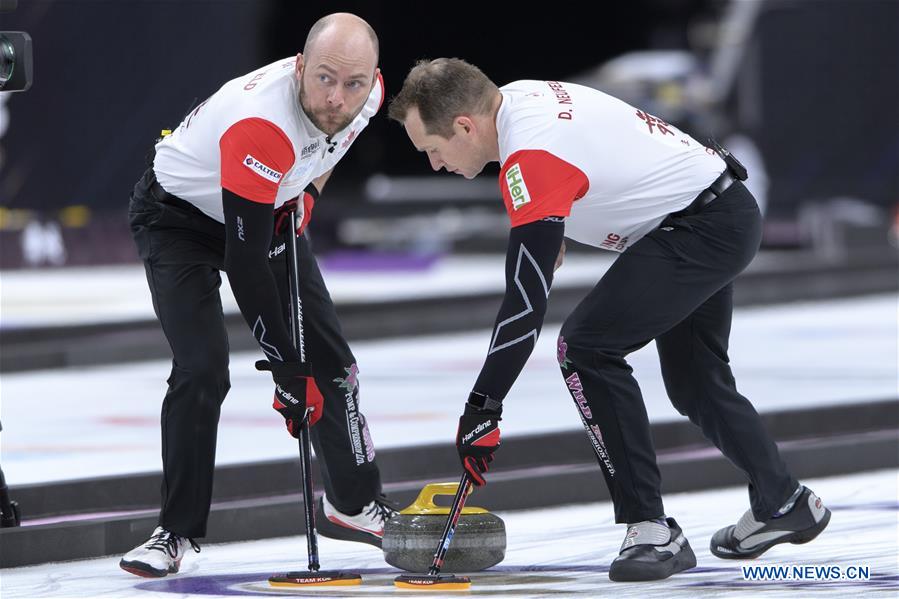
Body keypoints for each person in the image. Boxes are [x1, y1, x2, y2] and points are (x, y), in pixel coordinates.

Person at [387, 58, 831, 583]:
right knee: (694, 381)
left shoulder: (530, 155)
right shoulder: (517, 101)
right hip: (717, 209)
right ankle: (783, 500)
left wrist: (483, 405)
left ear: (464, 126)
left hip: (695, 226)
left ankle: (650, 527)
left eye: (432, 151)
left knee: (585, 349)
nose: (435, 165)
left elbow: (525, 303)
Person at [120, 13, 395, 579]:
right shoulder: (261, 125)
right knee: (202, 368)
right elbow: (246, 266)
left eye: (353, 84)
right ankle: (174, 532)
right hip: (179, 220)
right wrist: (286, 373)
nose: (337, 98)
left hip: (269, 208)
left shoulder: (367, 94)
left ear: (371, 80)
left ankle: (352, 504)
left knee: (334, 364)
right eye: (323, 79)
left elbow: (327, 151)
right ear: (299, 67)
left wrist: (307, 193)